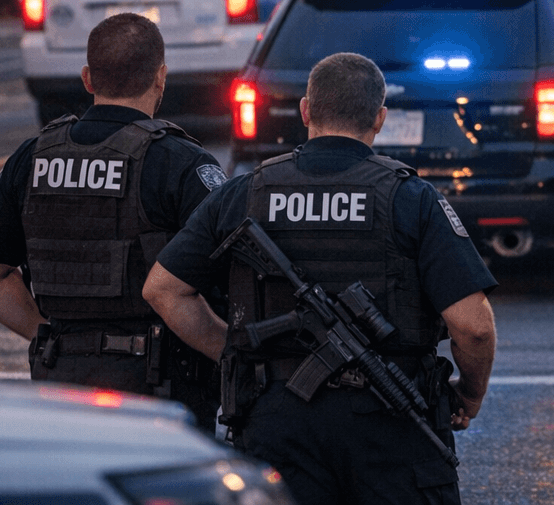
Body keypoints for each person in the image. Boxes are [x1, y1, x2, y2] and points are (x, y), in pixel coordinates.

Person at [143, 52, 497, 505]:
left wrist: (235, 354)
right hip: (390, 425)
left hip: (276, 420)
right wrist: (469, 394)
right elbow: (474, 326)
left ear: (306, 110)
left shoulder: (245, 192)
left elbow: (164, 289)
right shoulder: (412, 198)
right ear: (380, 119)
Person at [0, 13, 227, 423]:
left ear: (87, 78)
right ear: (161, 79)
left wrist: (50, 337)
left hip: (61, 384)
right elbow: (234, 274)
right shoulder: (181, 163)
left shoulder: (33, 157)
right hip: (160, 390)